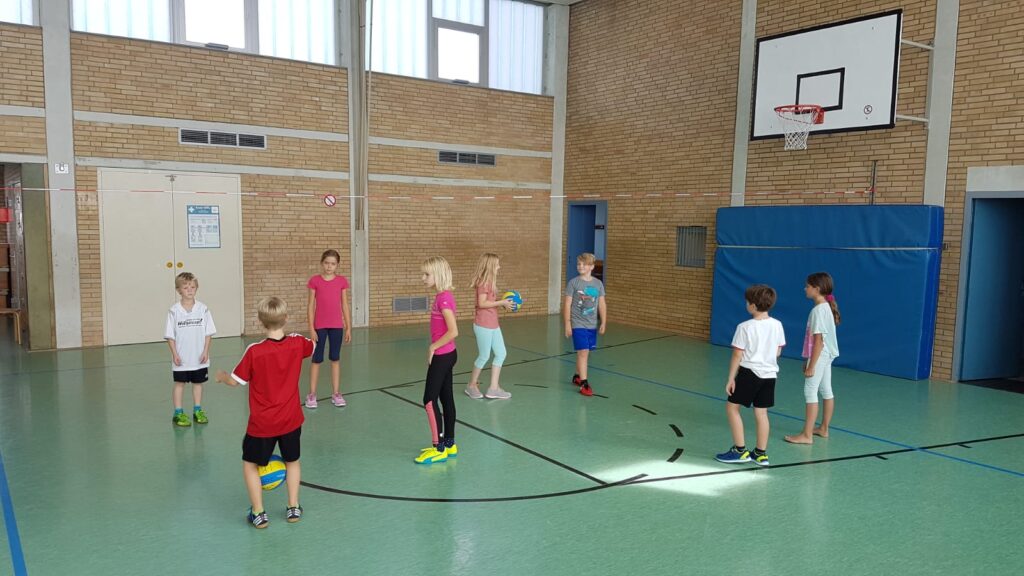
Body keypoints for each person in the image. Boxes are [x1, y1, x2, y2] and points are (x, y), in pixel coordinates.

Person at [215, 296, 314, 528]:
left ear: (260, 321)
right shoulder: (298, 343)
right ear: (286, 318)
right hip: (290, 420)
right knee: (293, 462)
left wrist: (222, 377)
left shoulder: (255, 351)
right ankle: (293, 507)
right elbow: (313, 344)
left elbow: (236, 381)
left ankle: (259, 513)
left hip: (262, 424)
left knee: (250, 464)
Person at [714, 285, 786, 466]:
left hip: (749, 374)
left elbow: (737, 355)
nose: (746, 304)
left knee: (732, 408)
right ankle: (760, 454)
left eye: (747, 302)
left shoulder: (744, 327)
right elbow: (778, 351)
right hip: (770, 375)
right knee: (761, 412)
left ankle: (740, 451)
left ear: (753, 305)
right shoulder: (777, 325)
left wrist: (731, 378)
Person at [785, 272, 841, 445]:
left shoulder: (818, 310)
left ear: (817, 289)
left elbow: (818, 342)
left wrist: (811, 365)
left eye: (807, 286)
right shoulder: (825, 307)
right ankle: (823, 428)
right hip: (827, 354)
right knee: (826, 390)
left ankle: (807, 435)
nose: (805, 289)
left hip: (821, 354)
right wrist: (808, 359)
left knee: (810, 391)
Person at [415, 256, 460, 464]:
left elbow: (453, 331)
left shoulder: (444, 299)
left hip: (443, 356)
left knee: (429, 399)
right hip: (448, 354)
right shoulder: (442, 296)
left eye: (427, 274)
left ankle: (438, 447)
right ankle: (449, 443)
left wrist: (433, 346)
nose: (423, 278)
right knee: (446, 398)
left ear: (438, 275)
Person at [165, 272, 216, 427]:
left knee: (198, 384)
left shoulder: (203, 309)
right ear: (178, 290)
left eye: (192, 287)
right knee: (179, 384)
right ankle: (178, 413)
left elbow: (208, 333)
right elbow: (170, 336)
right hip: (181, 358)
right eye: (185, 287)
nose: (189, 290)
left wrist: (205, 351)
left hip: (199, 357)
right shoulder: (174, 311)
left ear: (196, 288)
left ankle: (197, 410)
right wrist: (174, 354)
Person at [305, 249, 352, 408]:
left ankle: (336, 393)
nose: (329, 266)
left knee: (335, 358)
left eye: (332, 264)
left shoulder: (341, 281)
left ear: (337, 265)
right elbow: (310, 306)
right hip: (319, 327)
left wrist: (348, 327)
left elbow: (344, 305)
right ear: (321, 263)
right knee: (316, 359)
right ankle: (312, 394)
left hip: (336, 326)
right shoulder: (315, 281)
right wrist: (311, 328)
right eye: (326, 263)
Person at [465, 253, 514, 400]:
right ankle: (471, 385)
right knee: (484, 355)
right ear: (491, 266)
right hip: (483, 324)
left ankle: (493, 388)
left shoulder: (490, 282)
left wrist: (502, 304)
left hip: (493, 324)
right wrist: (501, 302)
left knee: (501, 353)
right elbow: (482, 303)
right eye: (497, 264)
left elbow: (489, 303)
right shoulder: (483, 283)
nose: (499, 267)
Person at [564, 252, 606, 396]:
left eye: (584, 264)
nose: (580, 266)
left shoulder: (598, 284)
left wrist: (603, 322)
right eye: (579, 264)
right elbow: (567, 304)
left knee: (584, 352)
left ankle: (577, 376)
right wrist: (567, 324)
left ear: (592, 267)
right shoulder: (573, 283)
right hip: (578, 323)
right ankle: (584, 383)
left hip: (592, 324)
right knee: (583, 352)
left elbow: (602, 304)